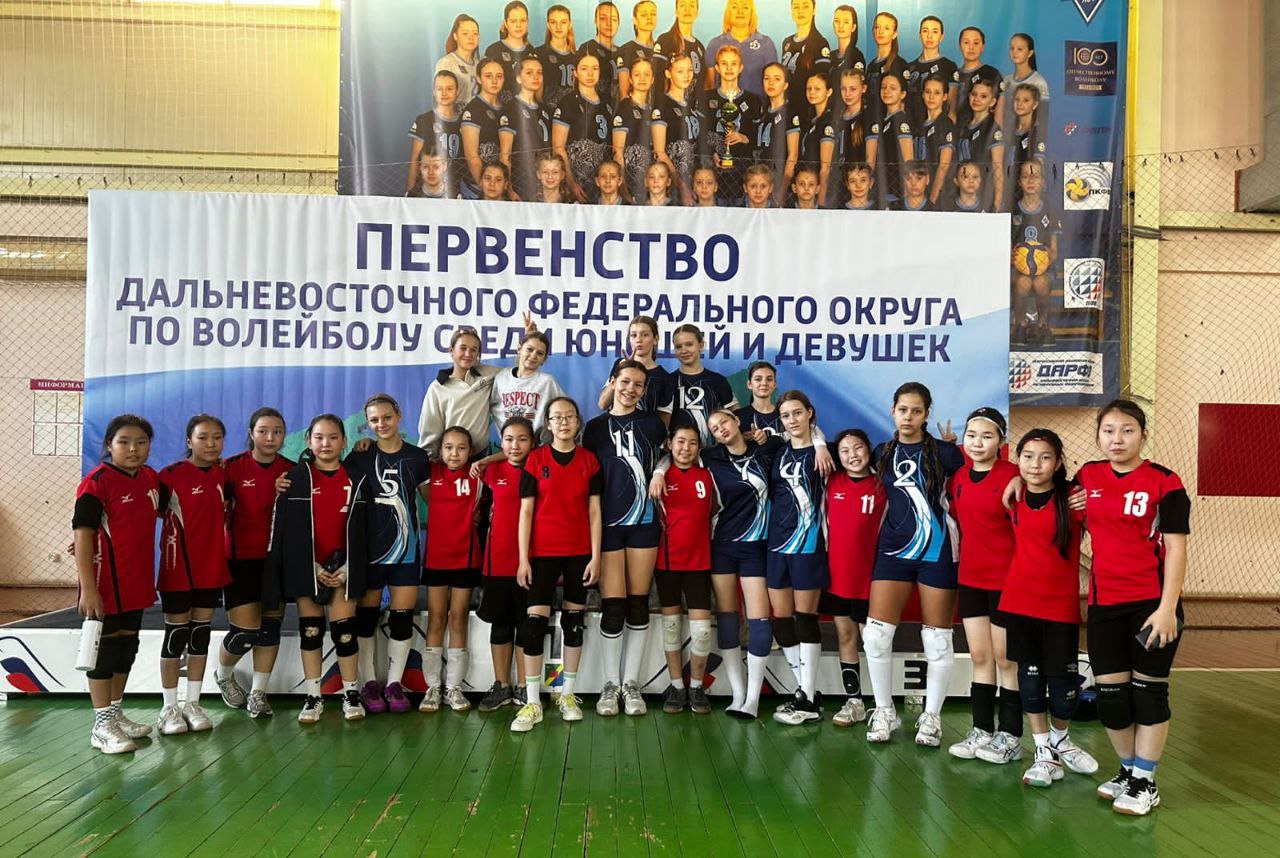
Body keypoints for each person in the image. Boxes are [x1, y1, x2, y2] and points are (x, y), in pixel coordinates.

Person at [1075, 400, 1190, 816]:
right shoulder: (1087, 477)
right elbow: (1058, 511)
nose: (1117, 439)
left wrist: (1167, 608)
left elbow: (1176, 549)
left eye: (1127, 430)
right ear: (1098, 435)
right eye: (1108, 431)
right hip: (1104, 604)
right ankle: (1127, 771)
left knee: (1149, 695)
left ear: (1143, 435)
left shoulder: (1165, 482)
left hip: (1151, 605)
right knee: (1111, 699)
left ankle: (1146, 780)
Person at [862, 382, 969, 746]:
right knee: (875, 636)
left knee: (937, 640)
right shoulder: (882, 452)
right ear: (893, 411)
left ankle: (932, 717)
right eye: (903, 409)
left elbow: (976, 478)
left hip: (936, 550)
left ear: (926, 414)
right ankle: (884, 712)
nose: (908, 416)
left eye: (916, 411)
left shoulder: (946, 453)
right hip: (893, 550)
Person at [993, 429, 1098, 787]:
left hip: (1060, 608)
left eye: (1045, 457)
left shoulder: (1074, 499)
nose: (1035, 465)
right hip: (1020, 602)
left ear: (1058, 463)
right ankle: (1042, 750)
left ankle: (1060, 738)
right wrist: (1014, 478)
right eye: (1027, 457)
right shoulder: (1014, 495)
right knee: (1030, 680)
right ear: (1018, 460)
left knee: (1064, 687)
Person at [264, 414, 370, 724]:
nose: (326, 444)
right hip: (307, 569)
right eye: (319, 437)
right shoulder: (294, 478)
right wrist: (312, 567)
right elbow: (286, 534)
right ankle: (313, 696)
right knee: (310, 632)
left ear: (344, 441)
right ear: (308, 441)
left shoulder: (356, 477)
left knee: (345, 633)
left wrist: (347, 569)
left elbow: (364, 532)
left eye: (333, 437)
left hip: (344, 570)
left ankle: (351, 693)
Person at [510, 397, 603, 731]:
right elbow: (525, 512)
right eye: (557, 417)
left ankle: (567, 695)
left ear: (578, 422)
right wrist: (523, 559)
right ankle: (533, 702)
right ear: (547, 424)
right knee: (533, 625)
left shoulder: (589, 461)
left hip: (579, 551)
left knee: (574, 622)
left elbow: (595, 511)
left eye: (569, 416)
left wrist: (596, 556)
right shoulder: (535, 460)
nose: (563, 422)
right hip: (542, 553)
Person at [583, 361, 668, 716]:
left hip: (644, 523)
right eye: (626, 382)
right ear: (613, 383)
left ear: (644, 390)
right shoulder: (594, 428)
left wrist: (660, 471)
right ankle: (610, 685)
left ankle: (631, 685)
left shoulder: (652, 424)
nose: (631, 389)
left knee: (637, 604)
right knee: (613, 607)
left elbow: (672, 453)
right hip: (608, 526)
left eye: (638, 385)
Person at [74, 415, 160, 754]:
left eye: (141, 442)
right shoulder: (96, 482)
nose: (133, 449)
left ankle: (114, 713)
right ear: (109, 445)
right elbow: (83, 535)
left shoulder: (151, 478)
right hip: (103, 585)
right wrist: (88, 588)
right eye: (124, 442)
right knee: (105, 652)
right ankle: (101, 725)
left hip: (136, 582)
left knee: (127, 648)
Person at [342, 395, 431, 716]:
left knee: (402, 619)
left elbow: (434, 500)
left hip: (406, 551)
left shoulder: (417, 457)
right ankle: (369, 683)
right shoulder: (359, 457)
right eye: (374, 420)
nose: (381, 424)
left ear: (399, 415)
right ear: (368, 423)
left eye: (386, 417)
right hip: (369, 554)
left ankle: (394, 685)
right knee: (365, 620)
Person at [945, 408, 1021, 760]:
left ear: (1001, 441)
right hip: (971, 578)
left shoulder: (1014, 476)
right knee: (979, 656)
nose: (977, 442)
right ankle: (982, 730)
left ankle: (1010, 736)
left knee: (1006, 659)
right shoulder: (959, 477)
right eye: (971, 435)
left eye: (987, 436)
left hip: (1007, 581)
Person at [215, 408, 293, 719]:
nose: (270, 437)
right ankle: (223, 675)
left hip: (276, 562)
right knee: (245, 633)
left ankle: (259, 693)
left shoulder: (291, 470)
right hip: (240, 562)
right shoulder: (231, 468)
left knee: (270, 629)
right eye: (263, 431)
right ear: (251, 433)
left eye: (277, 431)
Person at [155, 414, 231, 736]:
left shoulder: (224, 474)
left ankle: (193, 704)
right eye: (203, 437)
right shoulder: (169, 476)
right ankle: (169, 708)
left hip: (211, 568)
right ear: (189, 441)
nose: (211, 444)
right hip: (178, 569)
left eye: (217, 437)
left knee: (200, 634)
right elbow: (143, 514)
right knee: (175, 636)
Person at [767, 391, 828, 726]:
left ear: (809, 413)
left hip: (808, 544)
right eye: (785, 415)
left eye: (797, 413)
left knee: (805, 618)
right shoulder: (778, 451)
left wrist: (819, 442)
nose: (791, 420)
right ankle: (805, 692)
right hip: (777, 544)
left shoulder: (824, 452)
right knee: (781, 620)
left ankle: (806, 698)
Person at [821, 428, 884, 727]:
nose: (852, 455)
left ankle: (882, 706)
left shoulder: (883, 484)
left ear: (869, 450)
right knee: (845, 637)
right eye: (845, 451)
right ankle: (854, 701)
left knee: (872, 641)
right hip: (837, 577)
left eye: (858, 448)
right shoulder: (831, 481)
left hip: (872, 579)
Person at [418, 427, 483, 713]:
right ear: (440, 450)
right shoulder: (430, 472)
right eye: (448, 447)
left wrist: (484, 461)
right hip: (436, 559)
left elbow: (506, 457)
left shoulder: (478, 474)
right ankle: (433, 687)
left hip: (466, 559)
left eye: (461, 448)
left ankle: (454, 687)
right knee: (435, 619)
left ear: (471, 451)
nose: (454, 453)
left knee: (458, 619)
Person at [476, 417, 536, 713]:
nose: (515, 445)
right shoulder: (489, 472)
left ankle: (524, 686)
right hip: (496, 563)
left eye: (522, 439)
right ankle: (502, 685)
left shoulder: (539, 468)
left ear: (533, 442)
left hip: (531, 563)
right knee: (501, 626)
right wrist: (488, 460)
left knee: (526, 626)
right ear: (500, 442)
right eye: (509, 439)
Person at [655, 425, 715, 714]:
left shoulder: (708, 474)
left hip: (699, 562)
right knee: (671, 627)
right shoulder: (660, 474)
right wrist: (658, 471)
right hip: (666, 562)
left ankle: (697, 687)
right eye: (680, 442)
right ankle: (677, 686)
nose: (685, 448)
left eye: (692, 443)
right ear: (670, 444)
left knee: (702, 632)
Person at [417, 327, 501, 460]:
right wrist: (429, 461)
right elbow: (429, 431)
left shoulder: (488, 374)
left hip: (481, 458)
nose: (468, 354)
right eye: (463, 348)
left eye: (474, 350)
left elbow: (515, 374)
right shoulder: (438, 388)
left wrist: (528, 338)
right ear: (451, 350)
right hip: (452, 460)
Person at [703, 45, 764, 207]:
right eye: (724, 63)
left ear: (741, 68)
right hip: (714, 176)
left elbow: (759, 140)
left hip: (743, 175)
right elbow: (702, 135)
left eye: (733, 64)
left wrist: (744, 138)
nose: (729, 68)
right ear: (717, 68)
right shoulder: (706, 99)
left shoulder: (753, 100)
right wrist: (712, 154)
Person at [1010, 160, 1060, 347]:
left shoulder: (1050, 211)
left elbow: (1054, 252)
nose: (1031, 180)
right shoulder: (1013, 210)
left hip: (1044, 269)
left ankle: (1043, 326)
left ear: (1043, 182)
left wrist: (1046, 257)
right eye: (1025, 176)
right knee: (1023, 283)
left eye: (1036, 176)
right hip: (1017, 269)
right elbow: (1006, 245)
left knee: (1040, 283)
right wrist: (1012, 256)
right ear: (1019, 182)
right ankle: (1020, 325)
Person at [551, 51, 613, 202]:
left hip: (603, 181)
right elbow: (558, 148)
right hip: (577, 180)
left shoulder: (607, 101)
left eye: (595, 68)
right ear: (576, 72)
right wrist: (571, 183)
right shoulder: (568, 103)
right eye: (584, 68)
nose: (590, 73)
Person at [490, 330, 565, 442]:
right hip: (509, 445)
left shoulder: (547, 382)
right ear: (519, 349)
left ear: (544, 360)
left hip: (536, 445)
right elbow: (490, 407)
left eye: (540, 353)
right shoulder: (501, 377)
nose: (533, 355)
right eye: (529, 349)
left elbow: (565, 409)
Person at [670, 323, 738, 444]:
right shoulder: (668, 381)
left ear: (701, 345)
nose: (684, 350)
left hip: (711, 451)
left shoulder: (718, 380)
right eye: (679, 346)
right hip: (678, 452)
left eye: (689, 344)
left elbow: (736, 412)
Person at [599, 314, 674, 419]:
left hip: (646, 429)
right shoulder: (620, 364)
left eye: (645, 335)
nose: (638, 340)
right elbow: (602, 404)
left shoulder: (664, 377)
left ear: (655, 339)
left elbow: (664, 421)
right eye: (634, 335)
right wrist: (624, 369)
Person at [652, 54, 703, 205]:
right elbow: (660, 153)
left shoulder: (692, 106)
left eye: (689, 70)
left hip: (694, 182)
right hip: (672, 187)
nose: (686, 75)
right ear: (668, 73)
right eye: (680, 71)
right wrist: (682, 188)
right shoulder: (662, 105)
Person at [499, 56, 551, 201]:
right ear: (518, 78)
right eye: (529, 73)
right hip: (521, 183)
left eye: (539, 72)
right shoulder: (511, 109)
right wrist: (509, 189)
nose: (535, 77)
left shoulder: (546, 110)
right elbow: (505, 155)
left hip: (546, 183)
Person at [705, 0, 777, 98]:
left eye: (745, 7)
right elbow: (709, 85)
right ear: (728, 13)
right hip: (723, 106)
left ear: (751, 13)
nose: (740, 11)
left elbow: (774, 82)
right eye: (735, 7)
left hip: (758, 105)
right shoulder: (715, 44)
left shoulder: (766, 43)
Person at [824, 67, 874, 207]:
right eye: (843, 89)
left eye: (853, 89)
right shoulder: (837, 117)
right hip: (837, 184)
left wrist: (862, 185)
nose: (847, 94)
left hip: (857, 187)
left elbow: (870, 159)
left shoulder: (868, 117)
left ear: (863, 89)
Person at [407, 70, 462, 197]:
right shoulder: (424, 120)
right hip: (426, 191)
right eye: (439, 89)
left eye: (449, 89)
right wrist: (410, 190)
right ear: (433, 91)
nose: (444, 93)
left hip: (453, 190)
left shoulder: (463, 123)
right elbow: (415, 159)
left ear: (457, 91)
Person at [612, 57, 657, 203]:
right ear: (630, 79)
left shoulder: (653, 110)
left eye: (647, 74)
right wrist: (625, 192)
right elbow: (617, 154)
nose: (642, 79)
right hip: (630, 188)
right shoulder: (625, 107)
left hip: (650, 187)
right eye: (637, 74)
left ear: (652, 79)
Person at [460, 58, 507, 199]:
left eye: (499, 76)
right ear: (479, 79)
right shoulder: (473, 109)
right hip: (477, 188)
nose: (494, 81)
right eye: (488, 76)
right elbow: (471, 155)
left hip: (500, 188)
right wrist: (485, 188)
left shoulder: (507, 108)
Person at [955, 78, 1004, 210]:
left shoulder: (992, 129)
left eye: (983, 96)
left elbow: (998, 166)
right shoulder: (963, 126)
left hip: (983, 194)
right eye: (974, 94)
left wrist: (997, 200)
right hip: (961, 193)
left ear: (992, 102)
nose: (977, 99)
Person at [755, 62, 800, 206]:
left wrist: (782, 189)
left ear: (785, 85)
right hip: (759, 182)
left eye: (777, 79)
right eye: (767, 78)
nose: (771, 83)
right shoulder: (762, 111)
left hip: (778, 182)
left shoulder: (790, 113)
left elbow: (793, 155)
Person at [905, 16, 959, 125]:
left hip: (938, 128)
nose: (929, 36)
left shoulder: (948, 66)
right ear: (920, 35)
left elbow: (951, 109)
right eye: (925, 31)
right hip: (912, 127)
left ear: (941, 37)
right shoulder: (909, 68)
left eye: (934, 31)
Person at [872, 72, 915, 207]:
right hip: (883, 188)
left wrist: (907, 196)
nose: (887, 91)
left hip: (896, 192)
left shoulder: (900, 120)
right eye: (883, 87)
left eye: (893, 88)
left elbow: (908, 160)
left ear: (902, 94)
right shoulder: (885, 120)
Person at [780, 0, 831, 111]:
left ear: (814, 10)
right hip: (787, 108)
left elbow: (822, 83)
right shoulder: (787, 42)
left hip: (806, 109)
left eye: (805, 6)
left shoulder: (820, 43)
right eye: (796, 7)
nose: (800, 11)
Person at [915, 76, 955, 207]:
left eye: (937, 93)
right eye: (928, 92)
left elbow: (944, 166)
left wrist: (932, 200)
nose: (931, 97)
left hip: (938, 197)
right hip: (918, 192)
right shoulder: (919, 126)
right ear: (922, 94)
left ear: (945, 96)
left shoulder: (945, 123)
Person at [651, 0, 705, 96]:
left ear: (697, 12)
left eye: (692, 5)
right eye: (683, 5)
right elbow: (656, 83)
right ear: (676, 11)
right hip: (670, 104)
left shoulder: (699, 47)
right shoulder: (665, 41)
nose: (687, 9)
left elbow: (701, 85)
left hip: (694, 104)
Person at [865, 11, 908, 126]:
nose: (880, 31)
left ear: (894, 34)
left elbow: (903, 104)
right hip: (870, 122)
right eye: (877, 27)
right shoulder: (871, 65)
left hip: (888, 125)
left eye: (886, 28)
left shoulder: (899, 64)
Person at [955, 27, 1004, 127]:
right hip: (955, 132)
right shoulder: (954, 75)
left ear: (983, 46)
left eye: (976, 43)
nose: (971, 47)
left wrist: (995, 134)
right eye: (966, 42)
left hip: (982, 132)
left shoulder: (992, 73)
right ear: (960, 46)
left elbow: (999, 114)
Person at [484, 1, 531, 99]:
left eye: (523, 20)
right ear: (506, 23)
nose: (518, 25)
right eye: (513, 21)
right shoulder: (493, 51)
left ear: (527, 22)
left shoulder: (532, 52)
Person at [1007, 83, 1045, 201]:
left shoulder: (1038, 133)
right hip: (1007, 189)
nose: (1020, 103)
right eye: (1017, 99)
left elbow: (1039, 169)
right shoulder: (1008, 131)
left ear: (1035, 104)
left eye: (1026, 100)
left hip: (1025, 195)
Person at [535, 5, 577, 110]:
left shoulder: (578, 57)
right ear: (548, 25)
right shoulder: (539, 54)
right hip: (546, 113)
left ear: (570, 24)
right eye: (553, 22)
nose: (558, 27)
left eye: (563, 22)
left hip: (571, 114)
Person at [1003, 33, 1049, 130]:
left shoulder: (1038, 82)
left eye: (1019, 49)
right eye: (1012, 48)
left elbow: (1042, 119)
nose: (1014, 52)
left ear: (1030, 53)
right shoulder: (1006, 81)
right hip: (1007, 134)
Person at [798, 72, 835, 190]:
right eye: (809, 88)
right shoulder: (811, 120)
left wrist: (821, 196)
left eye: (817, 89)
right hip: (807, 184)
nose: (812, 92)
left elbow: (825, 167)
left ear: (829, 92)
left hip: (821, 188)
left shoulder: (828, 121)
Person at [579, 2, 621, 103]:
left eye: (613, 19)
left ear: (618, 23)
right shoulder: (588, 48)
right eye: (603, 18)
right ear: (595, 21)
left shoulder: (622, 52)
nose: (609, 23)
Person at [616, 0, 658, 100]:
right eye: (644, 15)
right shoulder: (626, 50)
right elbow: (624, 95)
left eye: (653, 14)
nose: (649, 18)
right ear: (635, 20)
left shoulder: (662, 49)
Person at [436, 14, 481, 106]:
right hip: (456, 114)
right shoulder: (446, 63)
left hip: (477, 114)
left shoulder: (480, 65)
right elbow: (441, 99)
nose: (471, 38)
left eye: (475, 34)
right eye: (465, 33)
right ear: (455, 36)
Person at [734, 360, 781, 437]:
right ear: (749, 384)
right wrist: (743, 439)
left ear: (774, 384)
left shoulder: (784, 414)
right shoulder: (738, 416)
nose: (764, 383)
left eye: (769, 379)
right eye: (758, 379)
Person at [827, 5, 865, 93]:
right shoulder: (830, 56)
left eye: (846, 22)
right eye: (837, 21)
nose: (840, 25)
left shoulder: (856, 56)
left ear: (853, 27)